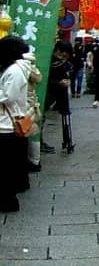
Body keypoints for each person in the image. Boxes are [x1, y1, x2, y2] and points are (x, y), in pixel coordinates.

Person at [0, 35, 30, 212]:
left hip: (7, 124)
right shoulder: (13, 69)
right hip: (7, 122)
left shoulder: (14, 71)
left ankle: (8, 200)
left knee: (6, 165)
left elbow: (8, 96)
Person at [17, 43, 43, 173]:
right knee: (31, 132)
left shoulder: (16, 67)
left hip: (21, 105)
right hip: (30, 104)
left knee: (22, 134)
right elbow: (38, 79)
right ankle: (35, 161)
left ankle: (32, 161)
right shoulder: (32, 69)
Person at [46, 40, 75, 154]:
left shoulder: (65, 64)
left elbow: (69, 73)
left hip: (60, 94)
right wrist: (58, 83)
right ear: (57, 50)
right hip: (49, 94)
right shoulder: (48, 61)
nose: (63, 58)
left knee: (65, 116)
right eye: (62, 55)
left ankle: (67, 141)